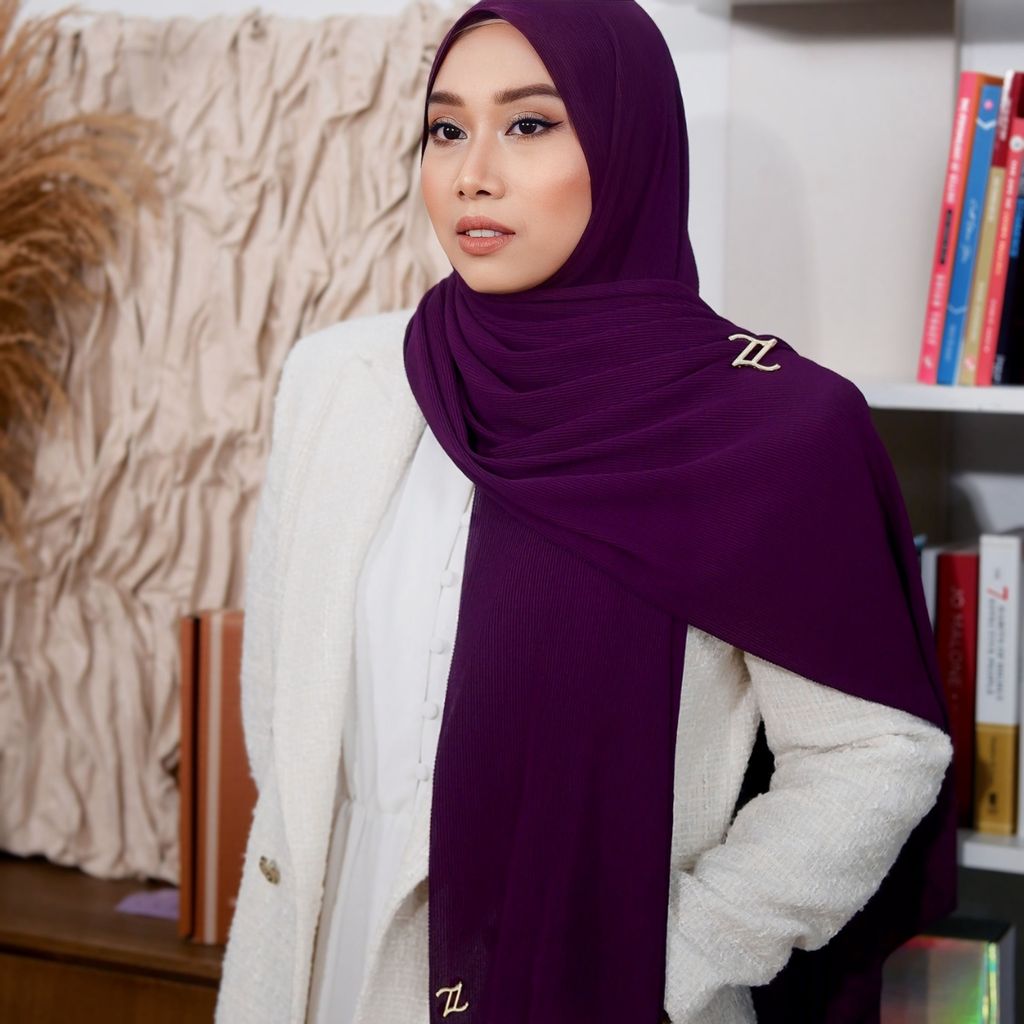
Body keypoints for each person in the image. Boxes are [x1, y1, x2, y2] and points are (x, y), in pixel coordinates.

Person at [215, 4, 958, 1024]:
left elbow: (875, 752)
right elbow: (282, 710)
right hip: (319, 970)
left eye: (529, 124)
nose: (473, 173)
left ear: (628, 144)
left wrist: (676, 956)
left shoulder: (771, 428)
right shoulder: (340, 381)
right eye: (446, 128)